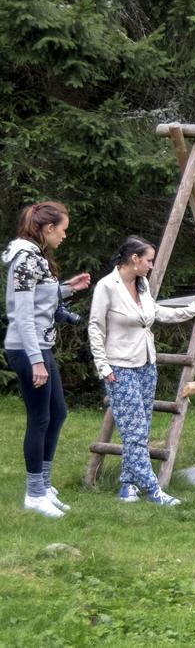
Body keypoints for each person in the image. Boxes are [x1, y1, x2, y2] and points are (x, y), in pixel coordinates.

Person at [87, 236, 195, 506]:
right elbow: (95, 327)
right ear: (134, 259)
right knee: (134, 431)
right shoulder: (107, 286)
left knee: (141, 427)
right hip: (119, 366)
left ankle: (127, 484)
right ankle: (153, 489)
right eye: (148, 260)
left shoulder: (141, 286)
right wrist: (103, 366)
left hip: (146, 364)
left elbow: (156, 313)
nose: (151, 266)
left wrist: (191, 311)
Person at [4, 202, 91, 517]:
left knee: (58, 413)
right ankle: (34, 493)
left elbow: (42, 298)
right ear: (48, 228)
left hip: (40, 347)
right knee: (40, 418)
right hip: (28, 348)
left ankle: (43, 484)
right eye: (63, 229)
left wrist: (68, 288)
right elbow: (23, 316)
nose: (65, 236)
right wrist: (36, 361)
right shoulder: (25, 260)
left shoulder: (35, 258)